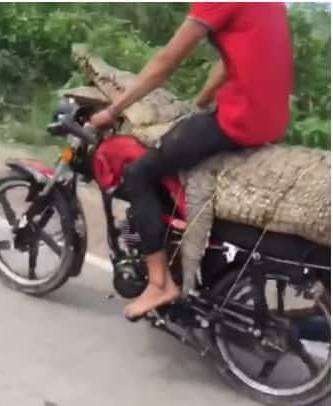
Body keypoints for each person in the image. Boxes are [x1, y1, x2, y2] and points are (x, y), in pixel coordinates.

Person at [89, 2, 293, 320]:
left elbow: (165, 62)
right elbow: (231, 63)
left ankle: (159, 283)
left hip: (239, 122)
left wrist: (112, 111)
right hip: (271, 121)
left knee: (140, 173)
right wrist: (198, 105)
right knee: (176, 153)